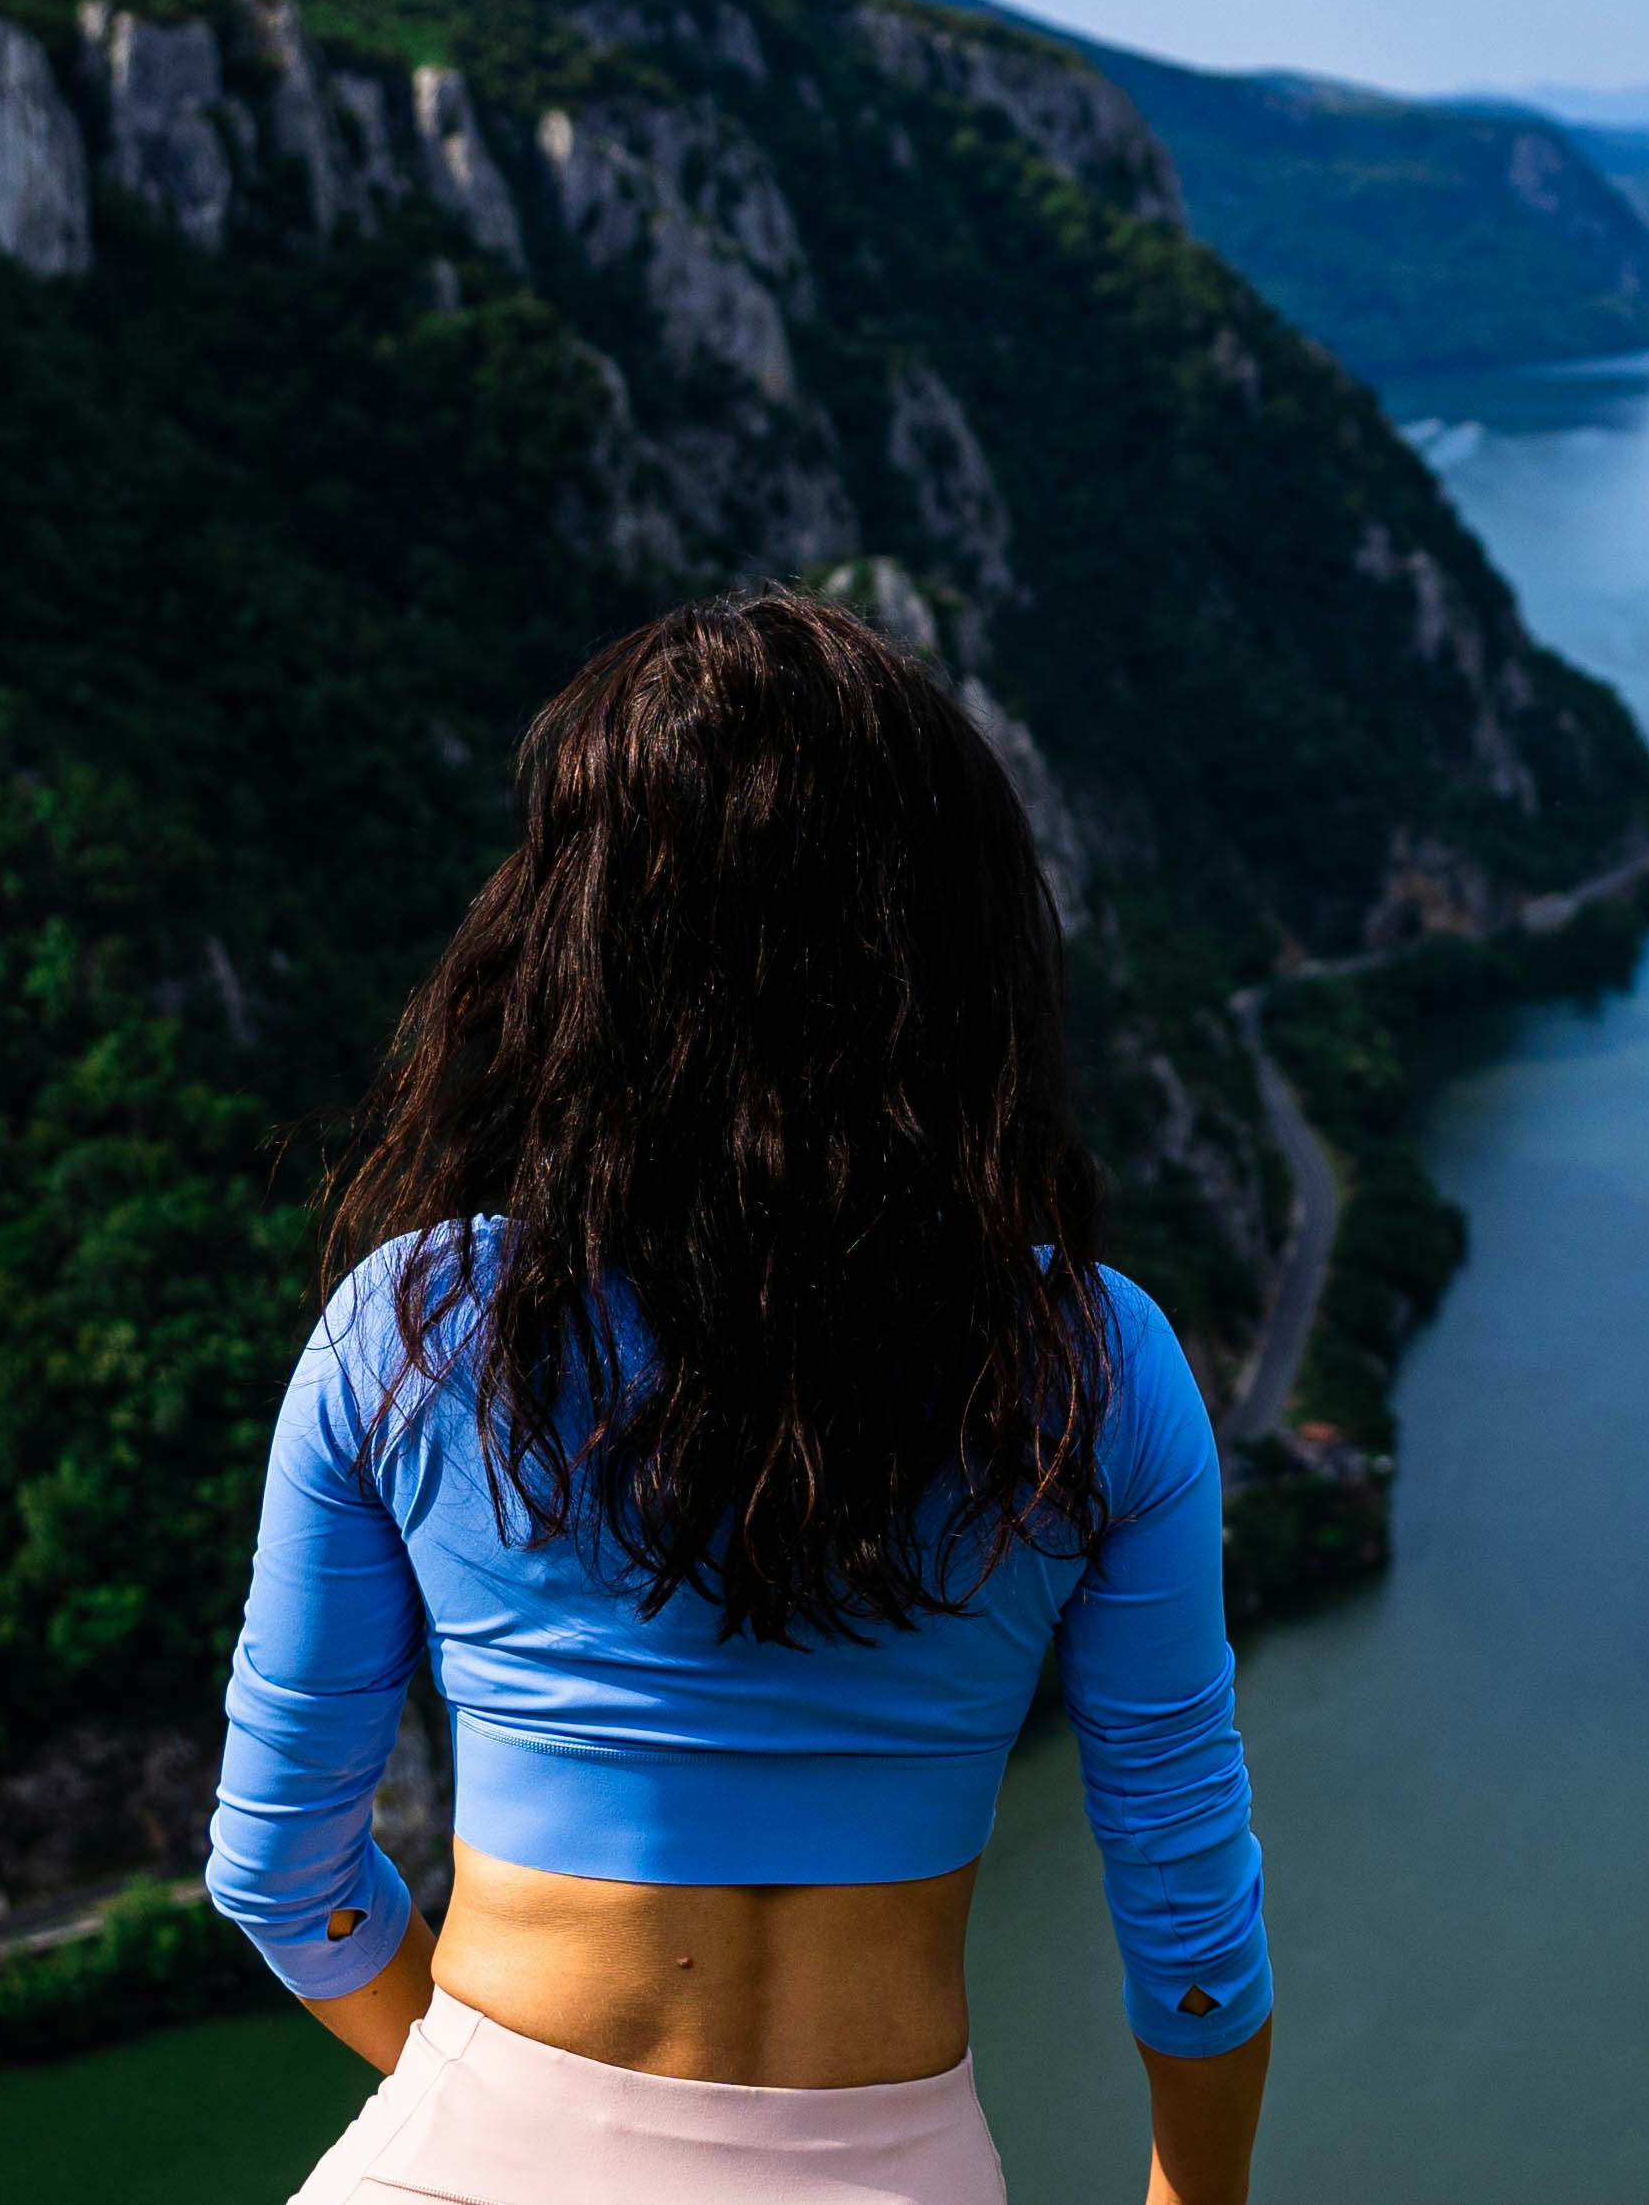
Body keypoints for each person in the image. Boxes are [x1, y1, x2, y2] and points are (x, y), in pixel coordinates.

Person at [207, 590, 1274, 2205]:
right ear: (957, 951)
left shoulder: (412, 1329)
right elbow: (1193, 1948)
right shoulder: (1093, 1364)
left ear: (575, 942)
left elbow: (280, 1875)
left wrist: (515, 2120)